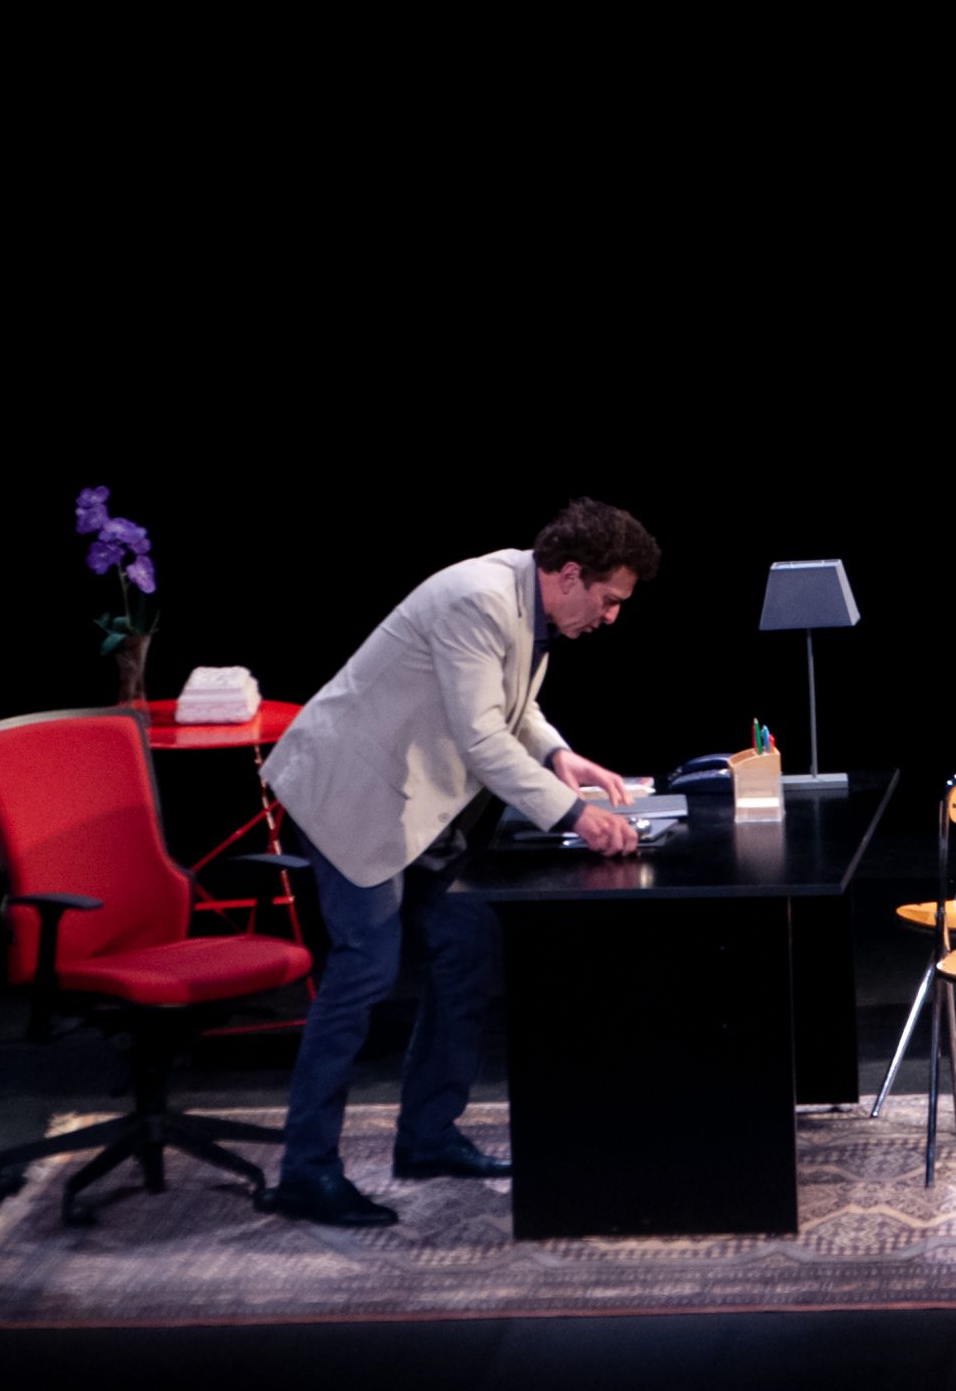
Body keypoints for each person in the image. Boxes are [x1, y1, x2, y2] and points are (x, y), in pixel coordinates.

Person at [255, 499, 661, 1226]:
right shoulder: (479, 599)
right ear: (571, 574)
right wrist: (576, 814)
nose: (611, 617)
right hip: (353, 794)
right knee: (364, 970)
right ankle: (305, 1172)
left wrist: (559, 755)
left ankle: (427, 1136)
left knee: (467, 943)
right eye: (609, 599)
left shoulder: (526, 599)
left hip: (417, 801)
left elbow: (511, 706)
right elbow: (481, 738)